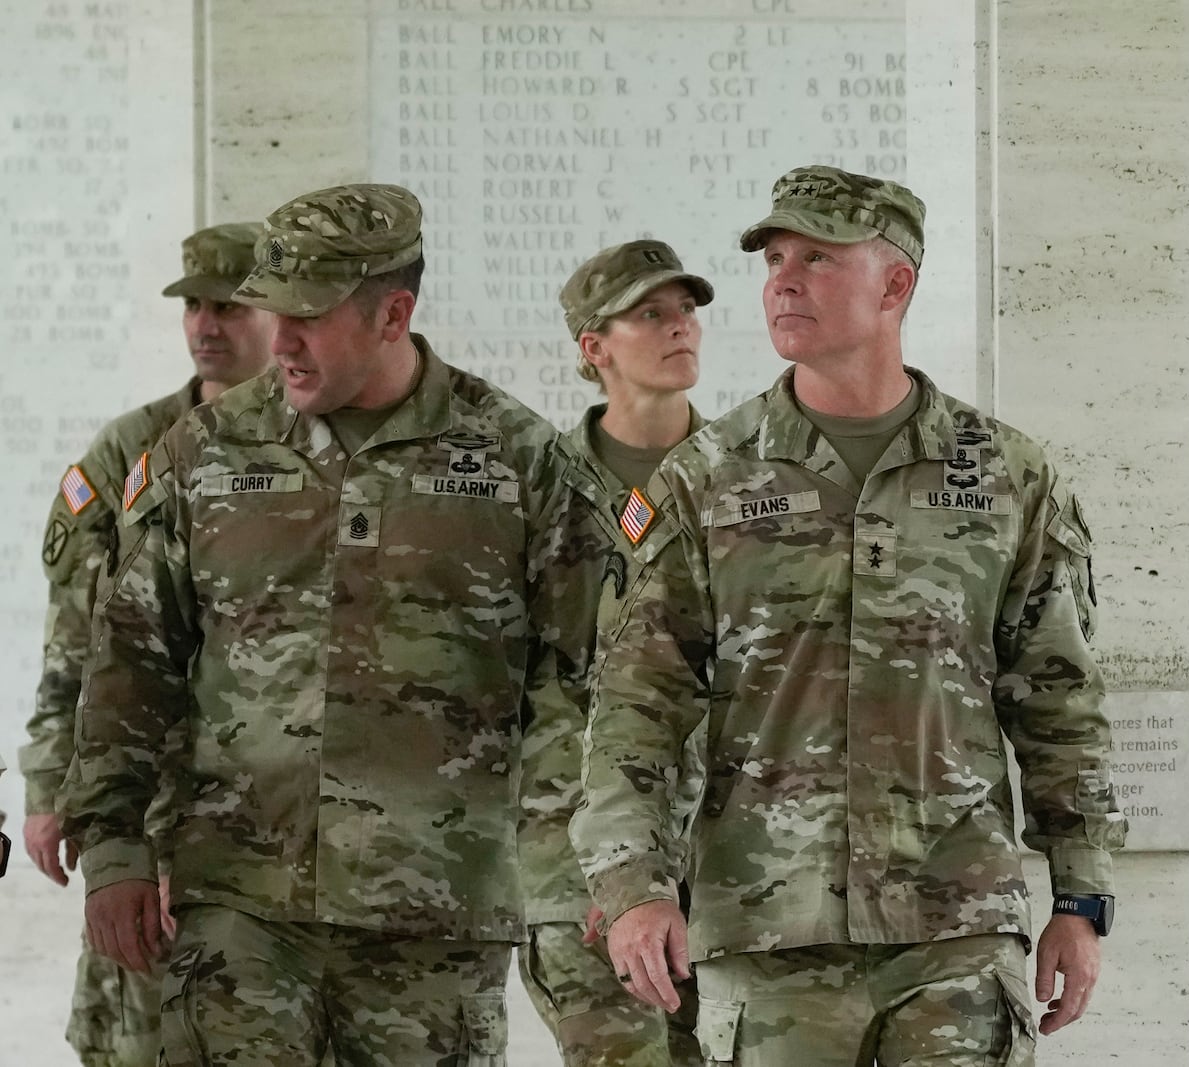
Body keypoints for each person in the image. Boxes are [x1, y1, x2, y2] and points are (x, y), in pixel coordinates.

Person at [571, 165, 1127, 1065]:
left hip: (957, 926)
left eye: (819, 258)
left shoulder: (1009, 478)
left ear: (895, 285)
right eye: (775, 258)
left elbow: (1061, 700)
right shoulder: (707, 477)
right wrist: (634, 881)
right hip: (770, 932)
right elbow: (636, 701)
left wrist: (1082, 896)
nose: (784, 280)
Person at [59, 183, 569, 1067]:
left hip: (435, 914)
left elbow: (578, 678)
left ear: (392, 313)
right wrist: (112, 848)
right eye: (271, 311)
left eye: (308, 316)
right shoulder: (200, 452)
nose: (280, 340)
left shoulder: (517, 460)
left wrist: (575, 872)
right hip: (239, 901)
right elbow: (131, 660)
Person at [19, 222, 273, 1067]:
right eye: (195, 306)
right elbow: (77, 636)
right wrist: (51, 780)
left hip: (273, 810)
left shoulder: (320, 448)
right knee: (137, 1027)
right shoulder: (131, 452)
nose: (207, 325)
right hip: (147, 789)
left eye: (230, 307)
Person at [519, 238, 712, 1065]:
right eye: (649, 314)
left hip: (734, 857)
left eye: (686, 310)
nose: (680, 328)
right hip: (577, 862)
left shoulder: (742, 475)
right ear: (594, 348)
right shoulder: (535, 488)